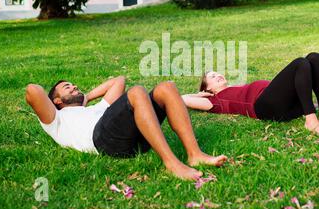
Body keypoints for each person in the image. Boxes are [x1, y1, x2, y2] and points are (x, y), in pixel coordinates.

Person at [25, 77, 227, 181]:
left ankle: (195, 154)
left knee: (167, 87)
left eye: (73, 85)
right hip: (103, 141)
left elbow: (118, 80)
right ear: (57, 100)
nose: (74, 86)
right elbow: (32, 91)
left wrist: (86, 98)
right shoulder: (56, 119)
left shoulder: (97, 108)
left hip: (130, 136)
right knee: (137, 91)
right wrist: (53, 106)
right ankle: (172, 163)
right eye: (67, 87)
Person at [182, 52, 319, 136]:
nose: (217, 75)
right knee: (300, 63)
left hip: (284, 105)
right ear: (208, 89)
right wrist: (199, 95)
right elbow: (181, 99)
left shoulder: (232, 89)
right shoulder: (215, 101)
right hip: (265, 107)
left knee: (314, 58)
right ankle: (311, 121)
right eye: (212, 77)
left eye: (217, 73)